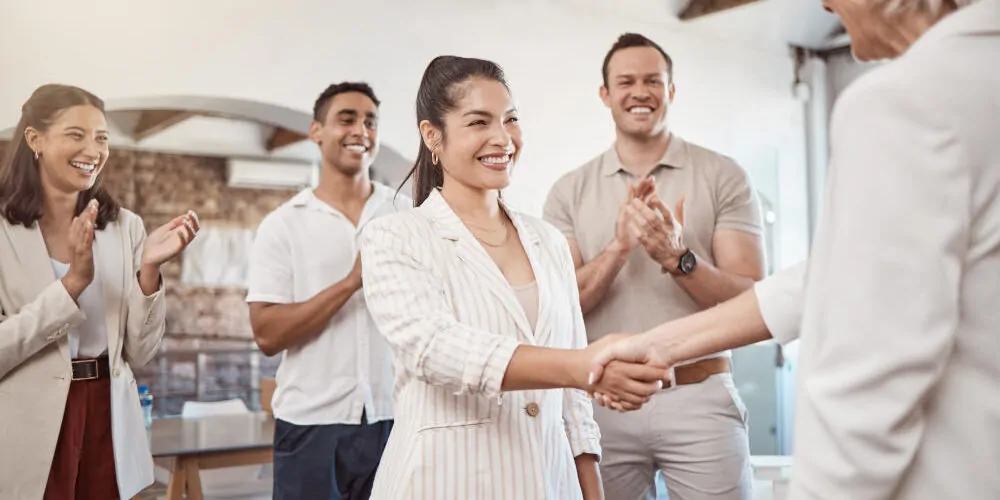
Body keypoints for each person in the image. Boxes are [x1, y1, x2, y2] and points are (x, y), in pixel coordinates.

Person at [591, 0, 1000, 497]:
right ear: (604, 95)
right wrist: (659, 345)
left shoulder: (906, 102)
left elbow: (869, 365)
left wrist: (680, 260)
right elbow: (821, 280)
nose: (825, 5)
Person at [357, 55, 665, 500]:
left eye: (511, 120)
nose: (503, 138)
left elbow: (573, 405)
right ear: (432, 136)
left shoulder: (548, 242)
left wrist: (592, 492)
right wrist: (580, 368)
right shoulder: (395, 237)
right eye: (479, 122)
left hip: (548, 483)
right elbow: (436, 348)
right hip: (443, 483)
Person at [543, 32, 766, 500]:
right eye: (625, 81)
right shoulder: (569, 190)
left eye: (653, 80)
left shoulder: (723, 175)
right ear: (605, 94)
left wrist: (677, 259)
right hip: (604, 401)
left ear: (672, 90)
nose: (639, 91)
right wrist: (618, 248)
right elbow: (561, 306)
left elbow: (752, 301)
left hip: (700, 395)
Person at [0, 84, 199, 499]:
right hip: (26, 420)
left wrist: (149, 270)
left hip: (108, 416)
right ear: (34, 139)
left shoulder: (126, 227)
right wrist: (71, 286)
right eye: (76, 134)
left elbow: (140, 353)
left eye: (102, 138)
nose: (93, 149)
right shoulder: (3, 232)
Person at [247, 82, 407, 500]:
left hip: (397, 418)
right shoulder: (283, 225)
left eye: (370, 121)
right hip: (311, 426)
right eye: (347, 119)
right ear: (316, 132)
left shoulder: (405, 215)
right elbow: (267, 334)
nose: (361, 130)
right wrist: (351, 283)